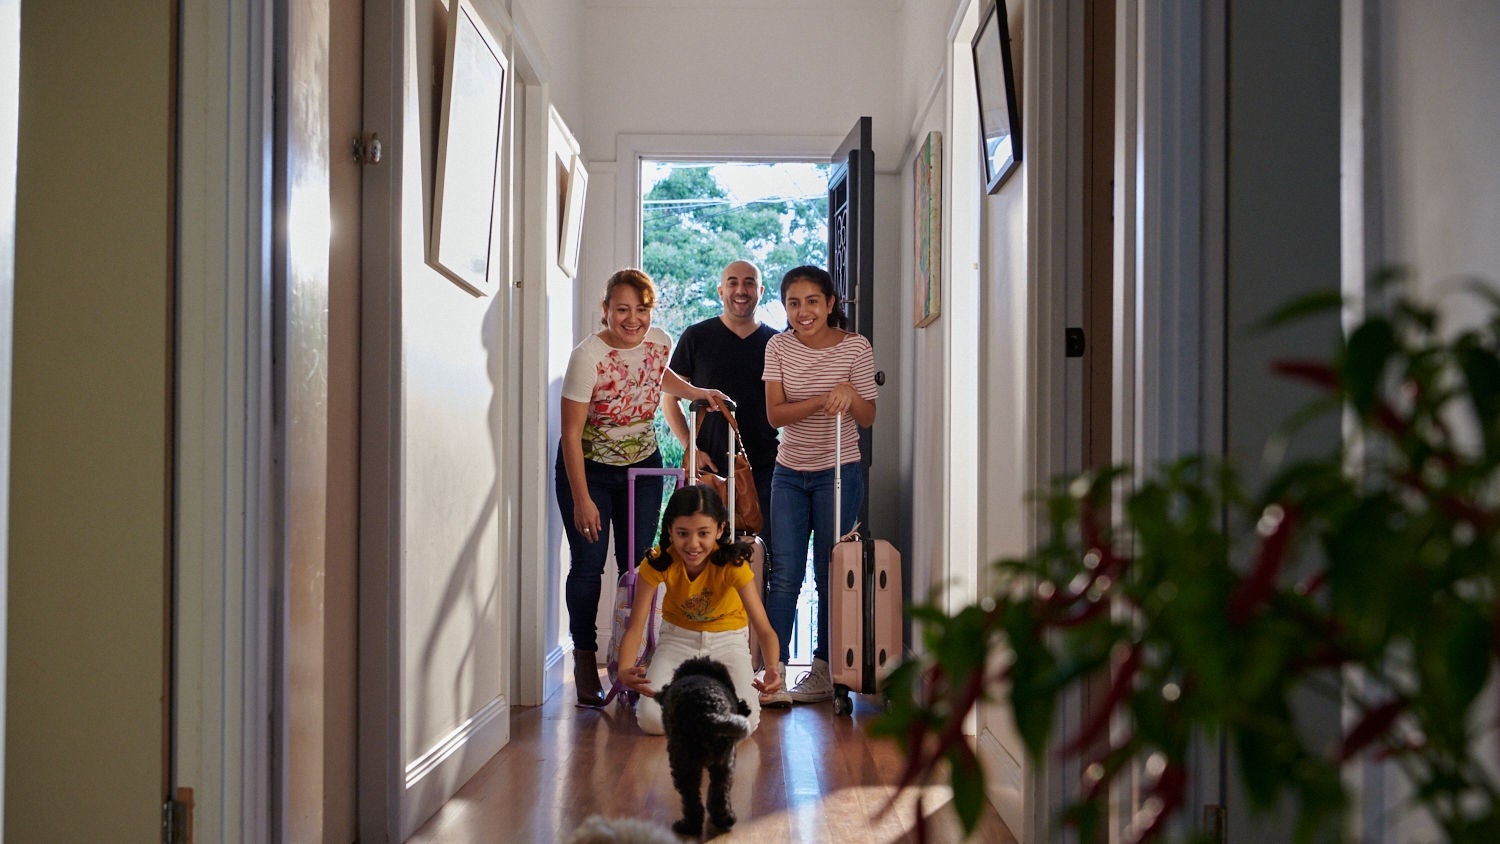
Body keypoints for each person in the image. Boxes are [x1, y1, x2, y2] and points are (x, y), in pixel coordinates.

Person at [557, 268, 726, 706]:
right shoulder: (587, 357)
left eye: (641, 310)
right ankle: (584, 658)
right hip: (590, 469)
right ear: (606, 310)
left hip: (641, 465)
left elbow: (657, 377)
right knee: (588, 564)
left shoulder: (660, 342)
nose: (633, 320)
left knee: (637, 566)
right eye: (622, 310)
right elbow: (571, 434)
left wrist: (697, 390)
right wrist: (581, 499)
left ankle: (628, 659)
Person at [761, 265, 878, 704]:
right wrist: (826, 397)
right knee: (785, 572)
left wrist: (852, 396)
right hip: (789, 472)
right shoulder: (778, 346)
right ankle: (771, 674)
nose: (803, 311)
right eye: (794, 303)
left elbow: (866, 417)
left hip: (839, 471)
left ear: (830, 303)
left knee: (832, 572)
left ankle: (826, 671)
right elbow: (775, 414)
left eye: (812, 301)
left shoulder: (856, 348)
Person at [616, 485, 783, 735]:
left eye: (703, 533)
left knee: (745, 724)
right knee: (650, 720)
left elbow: (764, 629)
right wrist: (624, 669)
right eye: (683, 533)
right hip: (676, 640)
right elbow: (636, 625)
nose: (693, 544)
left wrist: (772, 669)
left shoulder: (732, 564)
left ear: (720, 530)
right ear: (670, 529)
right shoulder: (658, 561)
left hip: (729, 641)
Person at [663, 260, 780, 537]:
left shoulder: (777, 343)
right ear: (720, 291)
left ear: (761, 291)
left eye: (749, 282)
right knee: (703, 553)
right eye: (733, 282)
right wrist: (690, 447)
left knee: (763, 553)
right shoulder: (697, 336)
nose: (741, 289)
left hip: (764, 467)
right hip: (708, 466)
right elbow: (670, 401)